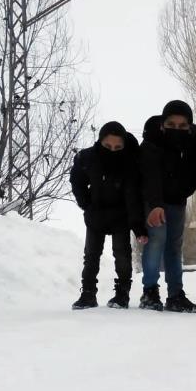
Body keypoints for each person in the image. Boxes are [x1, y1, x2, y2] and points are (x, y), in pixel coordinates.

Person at [69, 121, 148, 310]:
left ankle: (122, 294)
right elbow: (76, 180)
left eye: (118, 147)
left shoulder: (129, 164)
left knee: (122, 255)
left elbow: (132, 196)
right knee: (91, 255)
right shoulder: (87, 158)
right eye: (108, 146)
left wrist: (138, 226)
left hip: (121, 216)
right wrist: (86, 204)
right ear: (100, 142)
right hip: (95, 215)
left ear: (124, 146)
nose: (112, 150)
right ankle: (88, 294)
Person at [139, 100, 196, 313]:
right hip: (155, 201)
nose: (177, 129)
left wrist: (185, 191)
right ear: (163, 125)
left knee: (174, 247)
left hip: (177, 201)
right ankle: (150, 291)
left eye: (183, 125)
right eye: (171, 124)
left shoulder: (192, 143)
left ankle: (175, 294)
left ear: (189, 126)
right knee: (156, 241)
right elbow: (150, 176)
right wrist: (155, 205)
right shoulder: (151, 143)